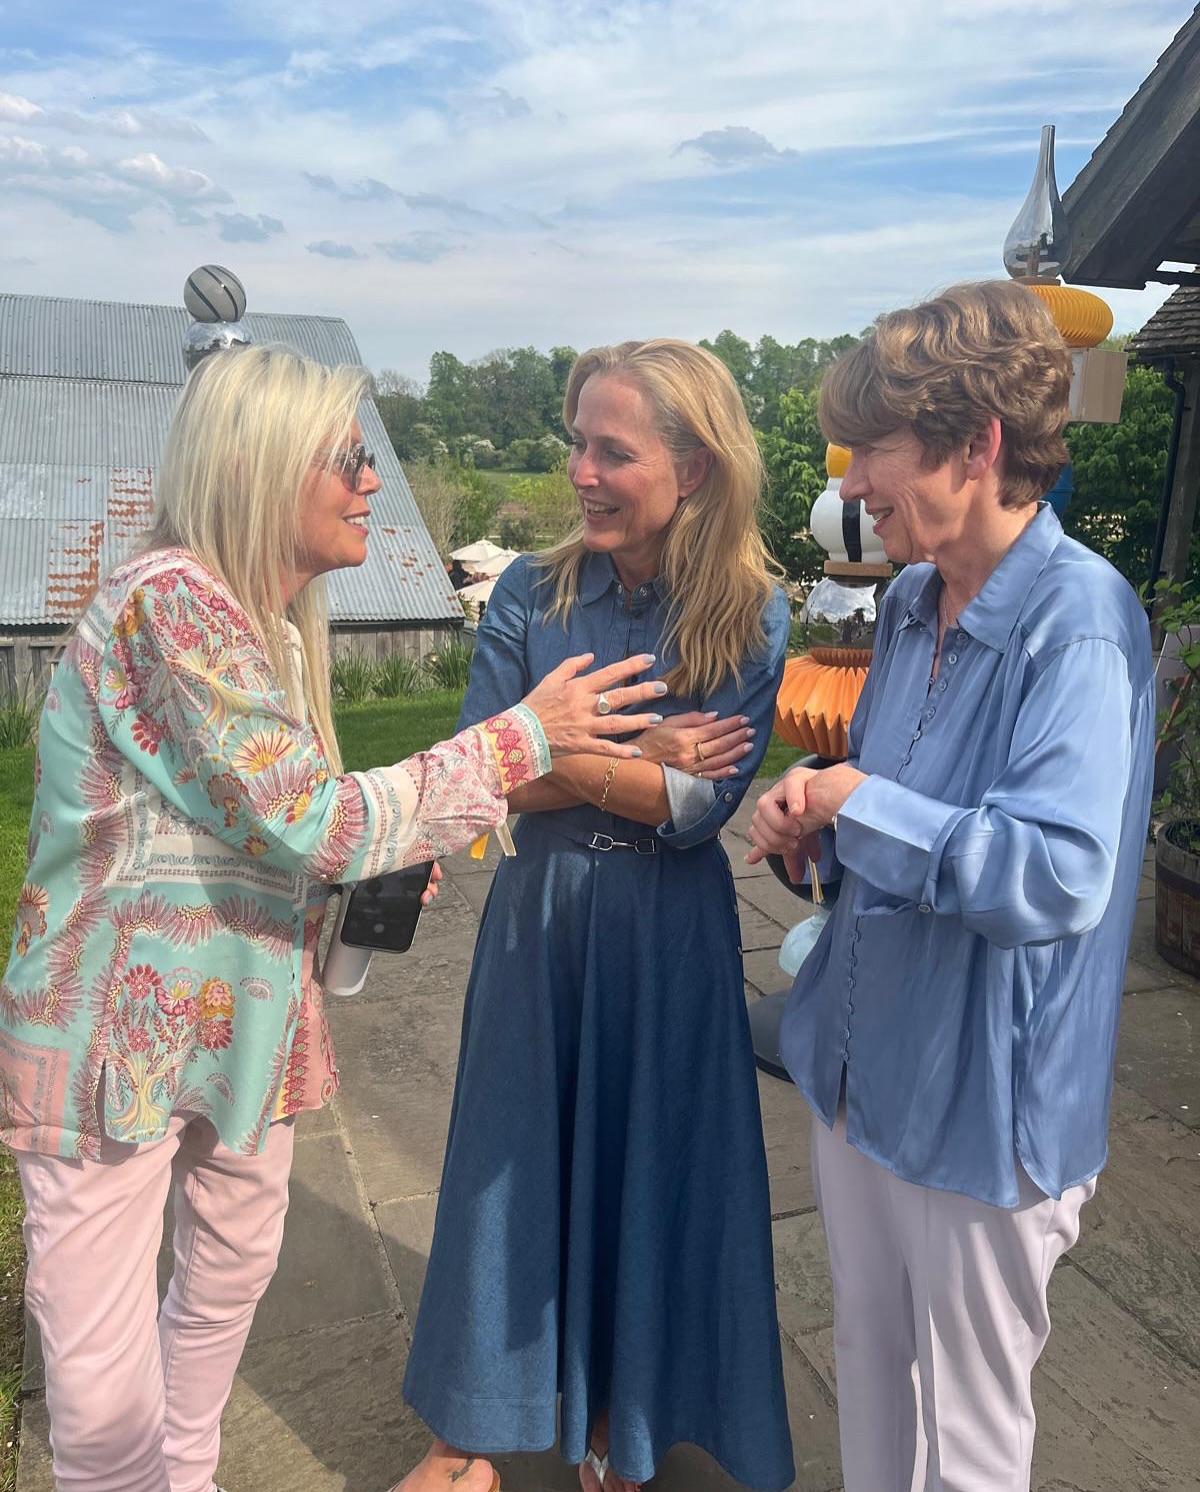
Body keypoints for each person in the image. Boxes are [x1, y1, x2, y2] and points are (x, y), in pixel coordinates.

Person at [0, 344, 666, 1492]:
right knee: (103, 1398)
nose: (369, 482)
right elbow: (316, 820)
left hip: (236, 1031)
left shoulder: (266, 623)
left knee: (227, 1275)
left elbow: (269, 835)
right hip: (117, 1044)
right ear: (260, 466)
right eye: (347, 456)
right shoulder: (172, 602)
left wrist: (363, 878)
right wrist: (525, 735)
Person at [747, 281, 1156, 1492]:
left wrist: (855, 805)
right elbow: (893, 799)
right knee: (873, 1373)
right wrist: (817, 827)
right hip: (860, 1070)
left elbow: (1058, 873)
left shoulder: (1080, 621)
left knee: (963, 1440)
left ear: (977, 445)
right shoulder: (916, 598)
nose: (854, 481)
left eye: (874, 448)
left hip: (984, 1106)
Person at [398, 340, 796, 1492]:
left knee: (650, 1169)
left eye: (612, 451)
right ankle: (466, 1435)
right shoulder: (532, 589)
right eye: (577, 443)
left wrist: (549, 745)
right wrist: (634, 747)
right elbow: (475, 770)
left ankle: (624, 1417)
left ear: (695, 468)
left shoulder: (750, 613)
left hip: (670, 937)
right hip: (544, 923)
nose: (580, 471)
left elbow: (694, 809)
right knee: (505, 1165)